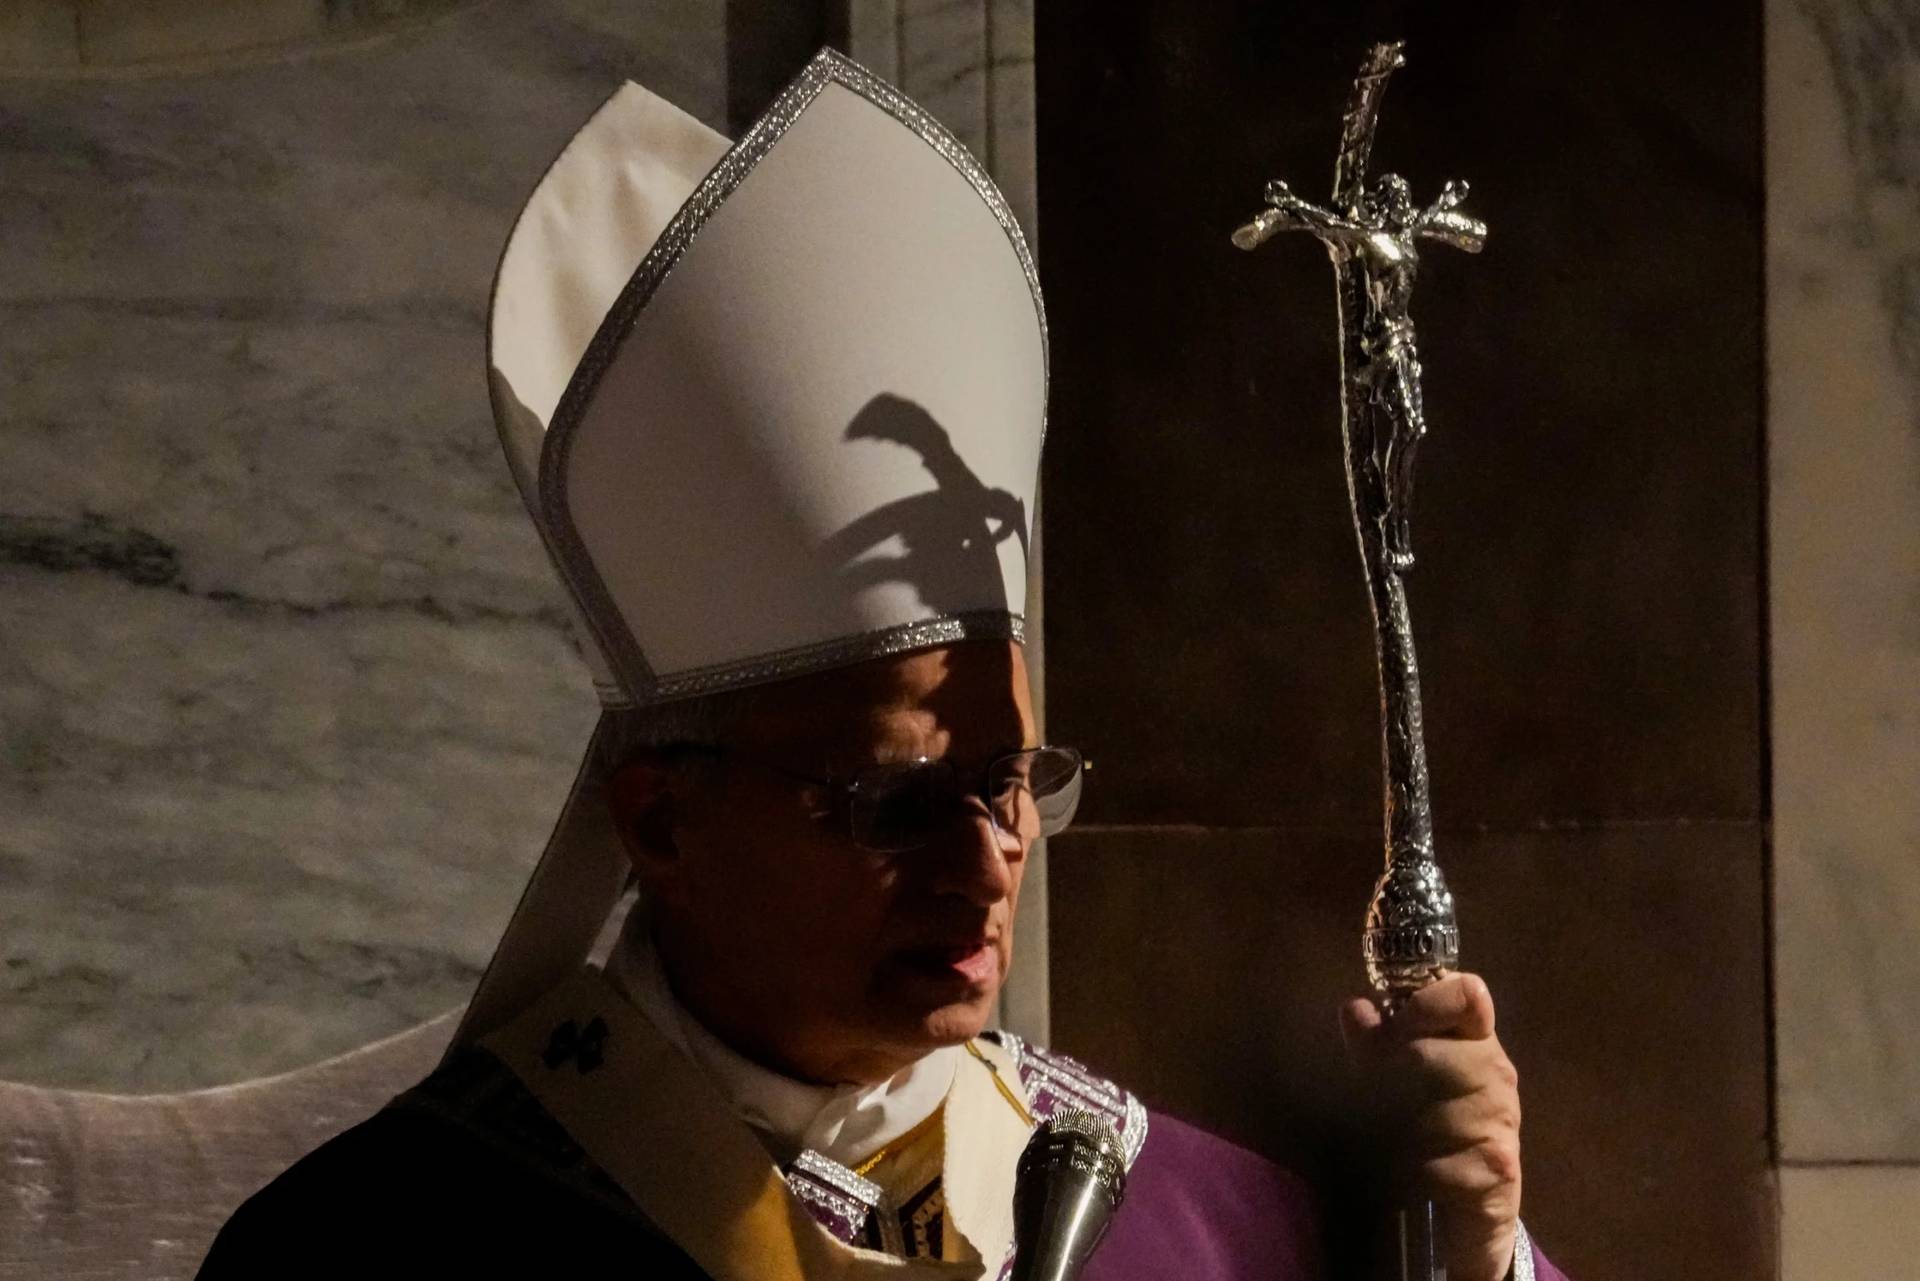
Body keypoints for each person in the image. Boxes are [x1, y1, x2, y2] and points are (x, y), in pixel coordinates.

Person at [197, 50, 1565, 1281]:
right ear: (662, 814)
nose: (985, 862)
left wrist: (1471, 1255)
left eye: (1009, 780)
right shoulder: (382, 1244)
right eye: (896, 798)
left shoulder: (1196, 1228)